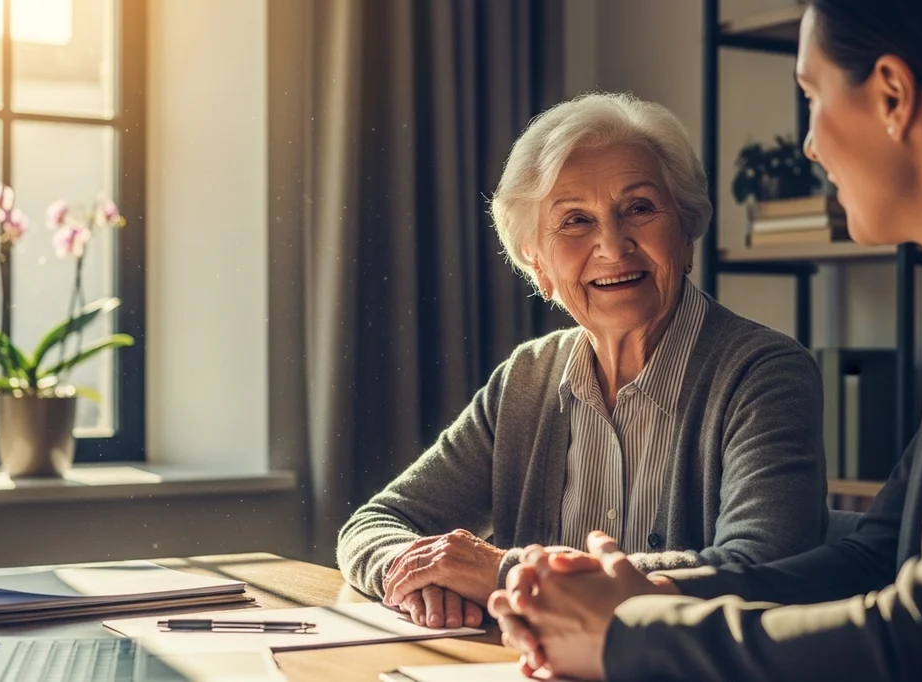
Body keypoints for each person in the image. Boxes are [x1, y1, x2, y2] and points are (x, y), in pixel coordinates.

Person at [489, 0, 922, 679]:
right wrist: (644, 598)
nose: (808, 146)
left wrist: (628, 639)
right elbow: (877, 557)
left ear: (894, 96)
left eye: (811, 94)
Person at [336, 92, 828, 630]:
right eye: (575, 221)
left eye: (639, 208)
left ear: (687, 234)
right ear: (540, 267)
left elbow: (758, 567)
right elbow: (377, 522)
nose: (613, 248)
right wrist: (419, 577)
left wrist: (506, 573)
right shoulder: (527, 380)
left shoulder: (763, 373)